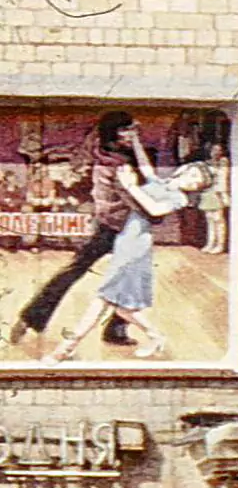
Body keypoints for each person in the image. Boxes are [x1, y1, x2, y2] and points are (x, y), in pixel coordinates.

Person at [45, 116, 187, 363]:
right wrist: (136, 142)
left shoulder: (179, 197)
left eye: (196, 180)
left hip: (134, 247)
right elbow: (144, 164)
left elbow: (152, 211)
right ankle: (153, 336)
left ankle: (65, 349)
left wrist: (131, 187)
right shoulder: (157, 179)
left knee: (107, 301)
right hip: (124, 241)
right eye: (189, 172)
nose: (189, 177)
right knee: (114, 303)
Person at [8, 109, 139, 354]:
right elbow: (125, 198)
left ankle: (116, 327)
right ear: (115, 134)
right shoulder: (111, 161)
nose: (133, 132)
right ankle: (30, 318)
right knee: (76, 270)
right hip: (113, 226)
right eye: (128, 129)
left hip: (127, 226)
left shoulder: (122, 155)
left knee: (132, 277)